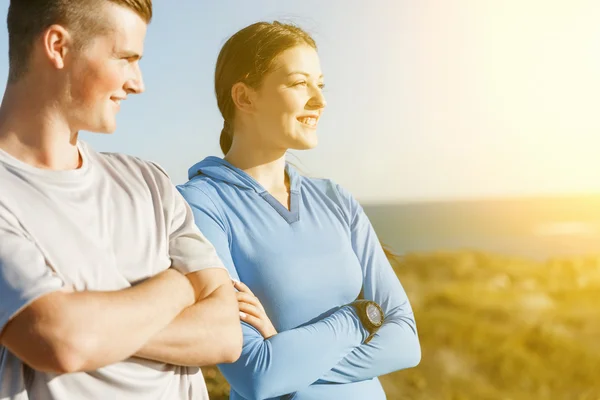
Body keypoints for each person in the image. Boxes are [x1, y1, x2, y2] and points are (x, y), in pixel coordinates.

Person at [0, 1, 242, 399]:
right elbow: (60, 341)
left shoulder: (149, 182)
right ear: (58, 47)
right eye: (126, 58)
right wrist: (180, 285)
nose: (137, 83)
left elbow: (226, 334)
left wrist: (98, 331)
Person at [177, 21, 421, 400]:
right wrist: (358, 317)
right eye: (298, 83)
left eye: (319, 85)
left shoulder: (336, 199)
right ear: (245, 97)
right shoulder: (200, 204)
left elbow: (406, 340)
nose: (319, 101)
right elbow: (256, 375)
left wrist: (286, 353)